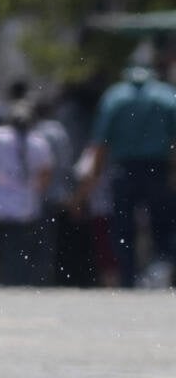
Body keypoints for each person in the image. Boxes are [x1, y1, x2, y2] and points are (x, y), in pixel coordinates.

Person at [74, 64, 176, 288]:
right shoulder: (167, 96)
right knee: (163, 224)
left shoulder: (115, 97)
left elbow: (101, 142)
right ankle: (162, 271)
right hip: (157, 169)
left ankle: (128, 278)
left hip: (125, 169)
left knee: (123, 226)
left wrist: (94, 176)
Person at [0, 102, 54, 285]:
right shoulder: (38, 143)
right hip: (26, 206)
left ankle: (0, 281)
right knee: (19, 250)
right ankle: (15, 282)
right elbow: (45, 175)